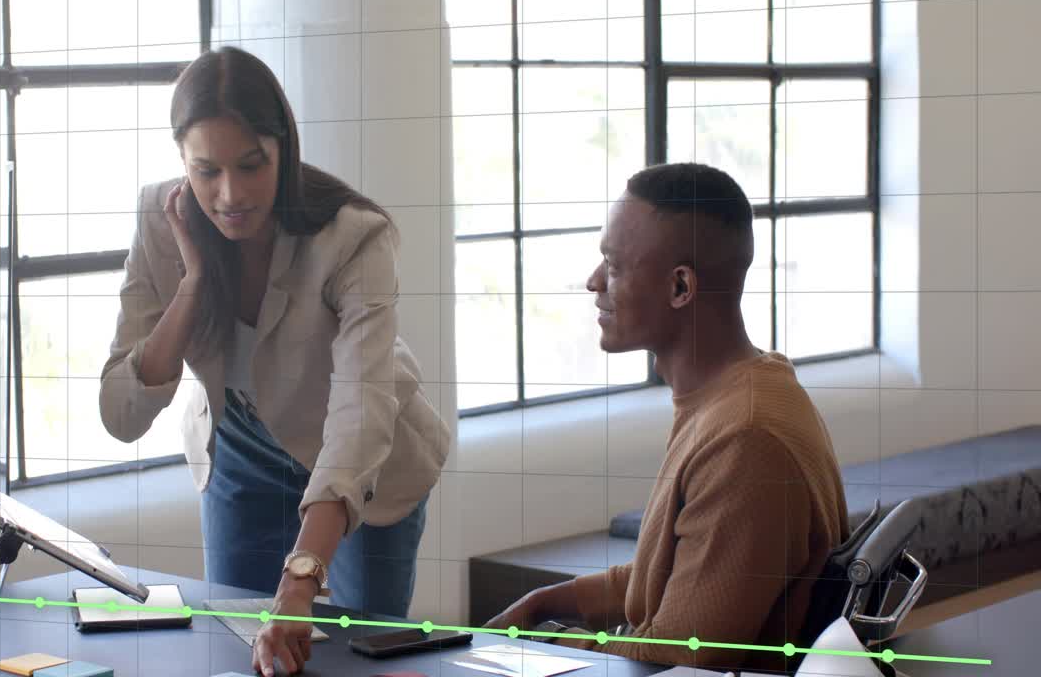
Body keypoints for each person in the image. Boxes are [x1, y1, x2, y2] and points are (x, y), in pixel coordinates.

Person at [99, 47, 451, 677]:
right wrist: (193, 283)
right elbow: (122, 413)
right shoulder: (161, 219)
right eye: (206, 171)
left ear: (283, 147)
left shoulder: (354, 236)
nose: (229, 194)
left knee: (357, 659)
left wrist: (300, 580)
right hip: (238, 448)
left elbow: (359, 414)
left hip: (365, 460)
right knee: (241, 654)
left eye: (251, 165)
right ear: (182, 161)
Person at [484, 163, 849, 673]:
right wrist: (552, 602)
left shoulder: (745, 438)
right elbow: (681, 572)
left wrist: (545, 647)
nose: (593, 283)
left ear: (681, 287)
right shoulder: (741, 392)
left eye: (613, 266)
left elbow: (678, 659)